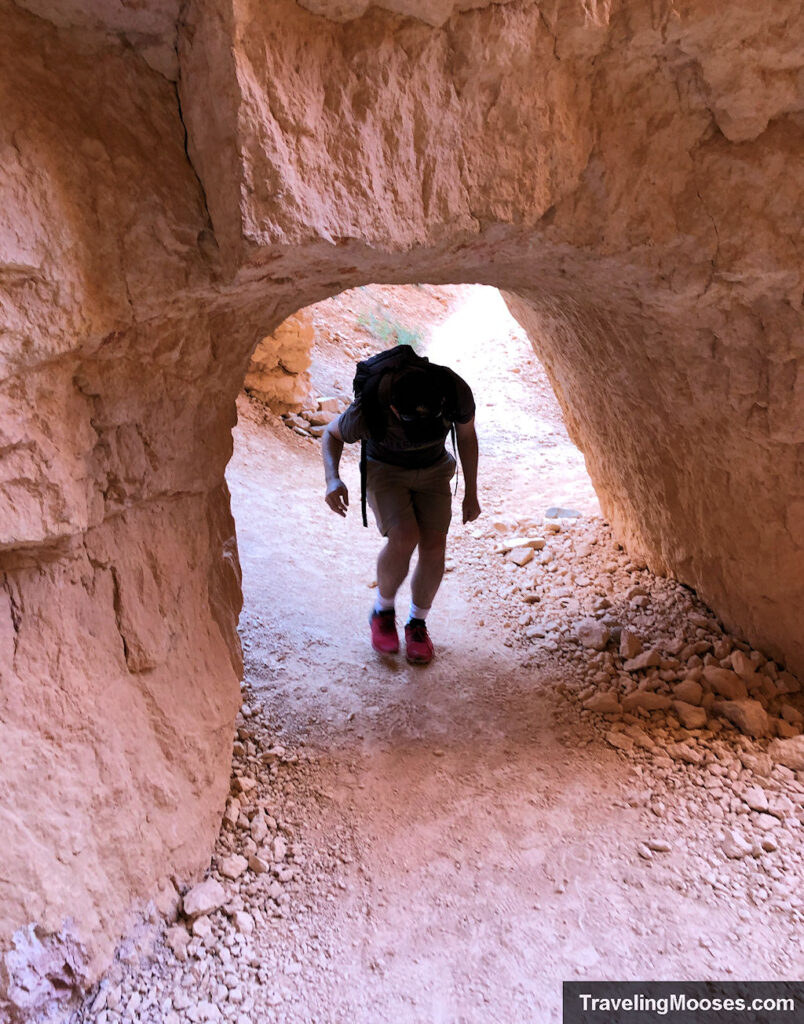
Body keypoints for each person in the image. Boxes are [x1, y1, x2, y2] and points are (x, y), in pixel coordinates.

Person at [322, 348, 480, 665]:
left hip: (435, 467)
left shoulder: (452, 389)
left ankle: (417, 624)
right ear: (393, 407)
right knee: (404, 536)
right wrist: (332, 480)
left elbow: (466, 435)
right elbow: (331, 433)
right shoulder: (371, 406)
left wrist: (471, 492)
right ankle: (382, 612)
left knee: (434, 547)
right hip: (385, 468)